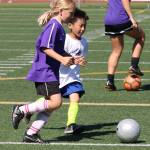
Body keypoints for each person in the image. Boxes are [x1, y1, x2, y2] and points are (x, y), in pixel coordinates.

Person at [11, 0, 76, 143]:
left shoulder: (59, 27)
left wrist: (72, 58)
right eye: (70, 13)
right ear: (61, 11)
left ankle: (31, 133)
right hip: (44, 70)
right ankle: (22, 109)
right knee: (56, 102)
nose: (72, 17)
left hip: (51, 70)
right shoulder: (54, 25)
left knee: (51, 104)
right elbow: (45, 47)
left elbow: (57, 50)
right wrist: (62, 59)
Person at [104, 0, 145, 91]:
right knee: (141, 36)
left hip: (109, 19)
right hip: (122, 18)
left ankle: (110, 81)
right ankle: (134, 66)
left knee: (116, 51)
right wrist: (131, 17)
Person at [59, 8, 89, 134]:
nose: (82, 29)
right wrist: (72, 60)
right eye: (80, 26)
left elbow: (80, 58)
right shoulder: (64, 40)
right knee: (50, 102)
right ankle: (26, 110)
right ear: (70, 25)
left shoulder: (84, 42)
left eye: (84, 26)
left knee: (75, 97)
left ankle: (70, 124)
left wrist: (81, 61)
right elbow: (58, 59)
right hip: (60, 77)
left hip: (73, 78)